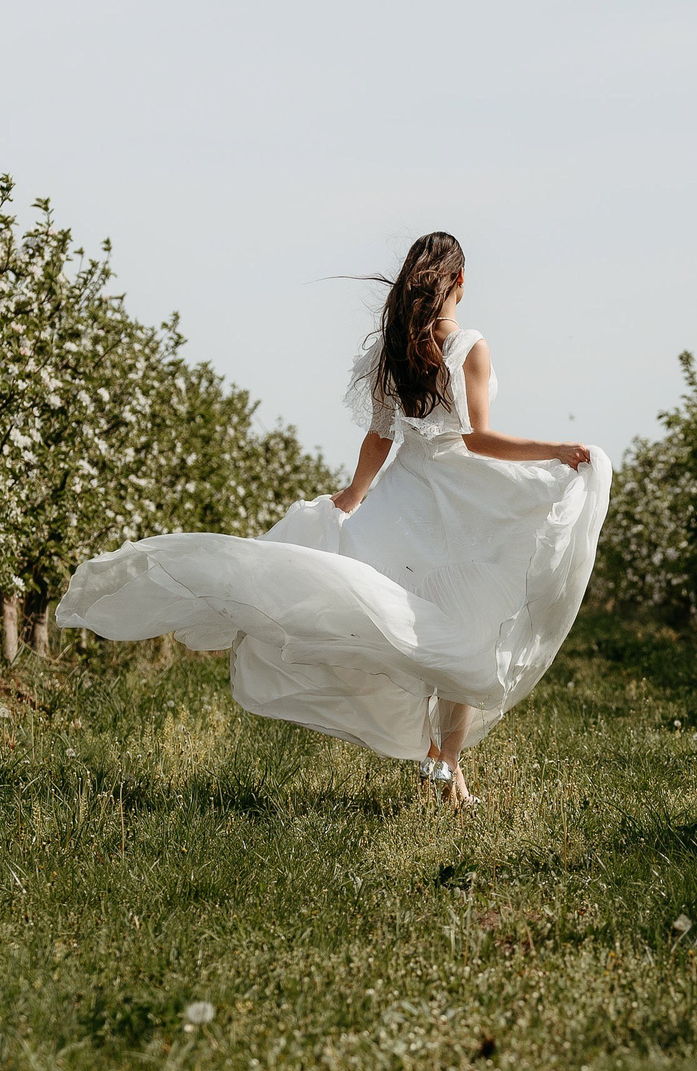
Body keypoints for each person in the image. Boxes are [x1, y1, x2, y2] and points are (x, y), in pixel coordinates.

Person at [57, 231, 609, 804]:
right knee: (464, 623)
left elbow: (380, 437)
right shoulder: (468, 344)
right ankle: (445, 765)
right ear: (460, 283)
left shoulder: (393, 349)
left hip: (406, 496)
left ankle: (445, 767)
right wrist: (556, 450)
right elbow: (478, 440)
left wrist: (354, 495)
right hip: (461, 498)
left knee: (406, 618)